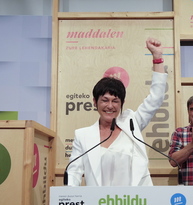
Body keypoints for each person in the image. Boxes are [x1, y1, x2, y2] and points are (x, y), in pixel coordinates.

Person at [66, 37, 167, 187]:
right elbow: (74, 172)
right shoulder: (83, 136)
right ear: (95, 102)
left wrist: (157, 58)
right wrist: (69, 199)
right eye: (105, 100)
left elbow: (156, 98)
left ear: (122, 104)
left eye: (115, 101)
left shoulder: (132, 123)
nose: (110, 106)